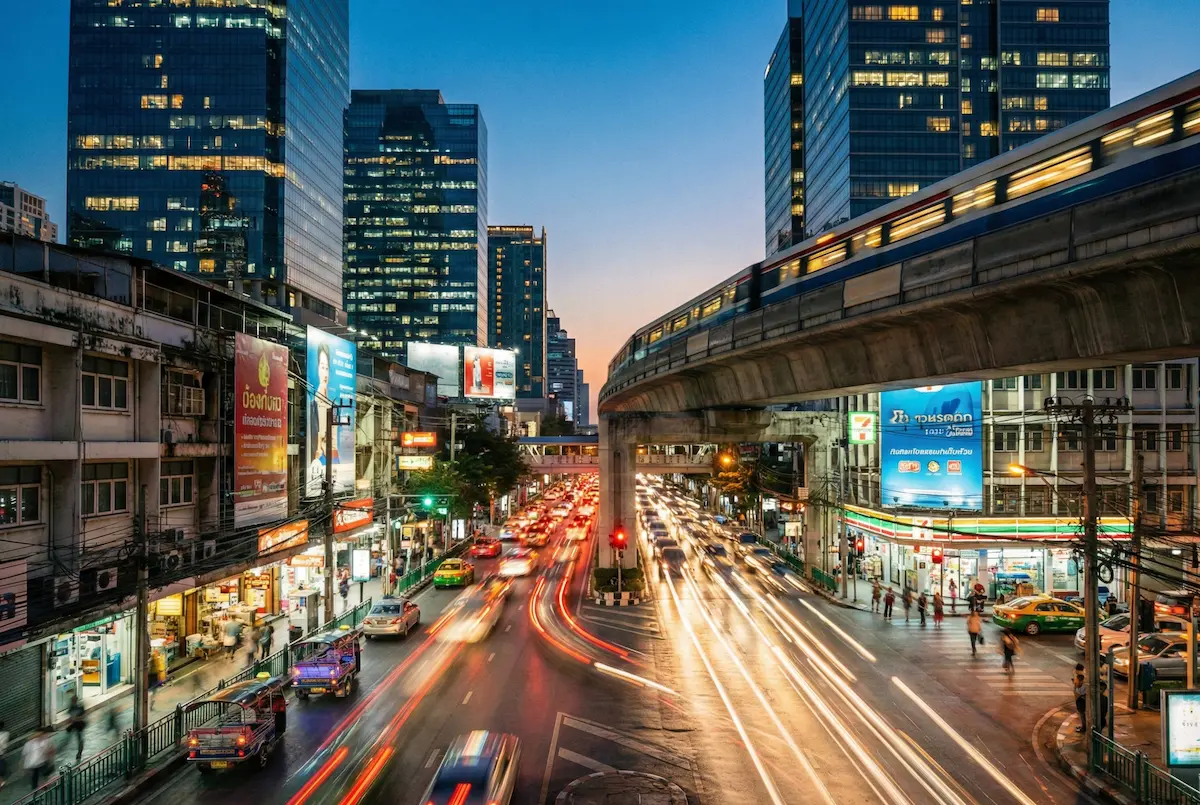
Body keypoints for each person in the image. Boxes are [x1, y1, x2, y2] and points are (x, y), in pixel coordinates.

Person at [67, 693, 86, 761]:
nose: (72, 701)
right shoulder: (71, 707)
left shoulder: (80, 707)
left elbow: (83, 716)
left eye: (73, 700)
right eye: (72, 700)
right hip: (73, 725)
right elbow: (70, 716)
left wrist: (75, 718)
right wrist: (71, 720)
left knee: (80, 739)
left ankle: (79, 753)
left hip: (79, 725)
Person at [1073, 664, 1087, 732]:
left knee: (1082, 714)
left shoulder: (1080, 677)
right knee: (1083, 714)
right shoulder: (1083, 676)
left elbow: (1079, 690)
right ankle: (1084, 727)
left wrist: (1075, 684)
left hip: (1081, 699)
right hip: (1082, 698)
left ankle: (1084, 728)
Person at [0, 719, 9, 790]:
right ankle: (1, 782)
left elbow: (3, 746)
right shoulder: (6, 734)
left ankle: (1, 783)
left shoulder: (4, 734)